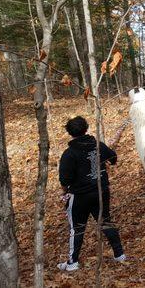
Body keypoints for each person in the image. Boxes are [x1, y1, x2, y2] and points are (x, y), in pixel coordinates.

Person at [57, 116, 125, 271]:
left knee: (77, 228)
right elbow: (114, 158)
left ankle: (72, 263)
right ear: (86, 129)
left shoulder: (69, 154)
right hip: (101, 192)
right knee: (105, 221)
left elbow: (64, 180)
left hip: (80, 196)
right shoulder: (98, 145)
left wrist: (65, 193)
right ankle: (119, 254)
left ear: (70, 133)